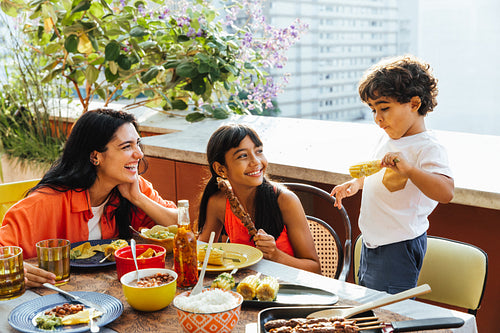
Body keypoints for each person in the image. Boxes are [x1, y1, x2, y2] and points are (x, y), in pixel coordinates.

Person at [0, 108, 177, 287]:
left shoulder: (132, 187)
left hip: (114, 293)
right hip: (56, 301)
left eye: (137, 143)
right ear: (95, 156)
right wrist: (17, 270)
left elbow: (180, 227)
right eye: (126, 146)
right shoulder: (45, 203)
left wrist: (138, 198)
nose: (139, 154)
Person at [331, 55, 454, 294]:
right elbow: (380, 174)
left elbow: (446, 192)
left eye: (384, 108)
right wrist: (357, 184)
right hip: (371, 242)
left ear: (414, 104)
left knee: (389, 313)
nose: (378, 118)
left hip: (398, 246)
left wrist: (409, 169)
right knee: (368, 305)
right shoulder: (388, 138)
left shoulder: (428, 147)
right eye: (373, 110)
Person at [198, 124, 321, 274]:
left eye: (259, 151)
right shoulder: (218, 203)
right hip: (242, 289)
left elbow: (314, 269)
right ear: (221, 169)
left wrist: (275, 255)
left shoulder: (285, 201)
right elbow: (201, 251)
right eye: (243, 155)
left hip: (287, 290)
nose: (256, 161)